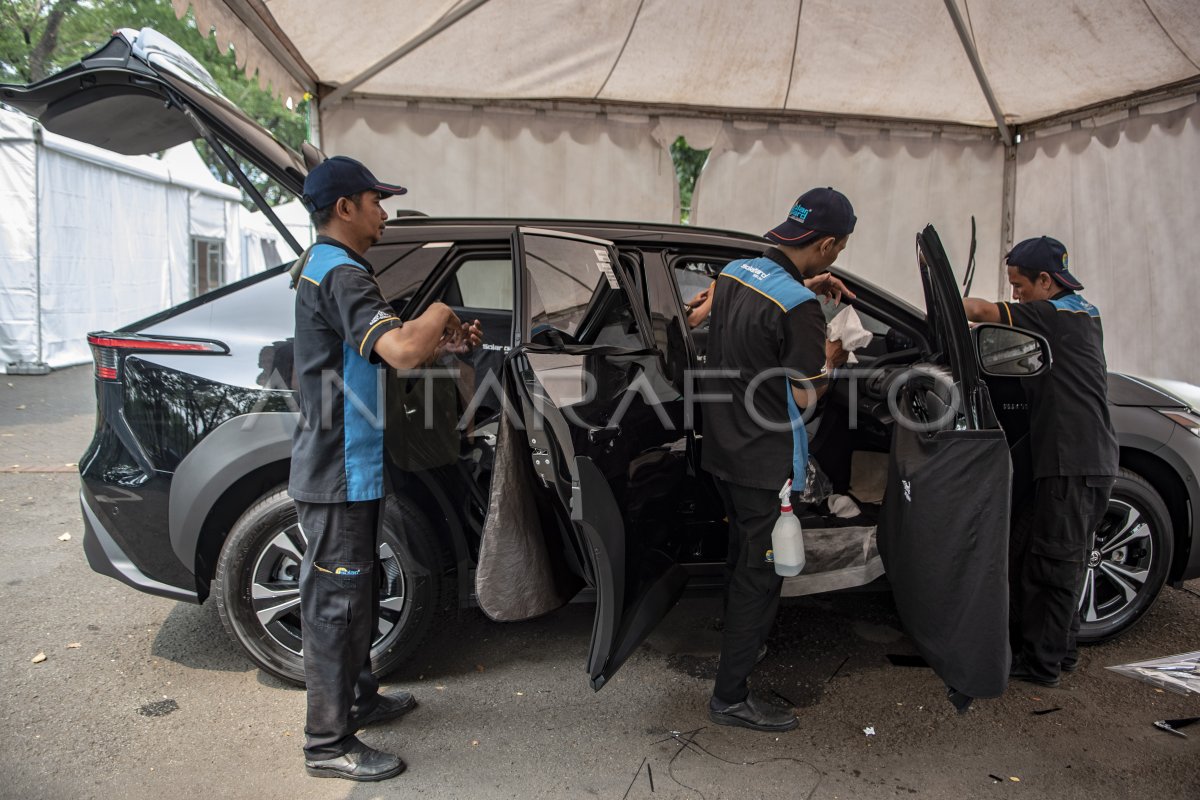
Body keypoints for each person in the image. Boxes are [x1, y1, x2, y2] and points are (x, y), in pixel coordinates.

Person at [290, 156, 481, 781]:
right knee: (337, 603)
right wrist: (437, 314)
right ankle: (328, 744)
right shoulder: (340, 273)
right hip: (338, 470)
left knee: (358, 589)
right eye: (377, 200)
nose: (385, 211)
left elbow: (380, 351)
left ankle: (361, 695)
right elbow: (399, 348)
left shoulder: (330, 269)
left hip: (354, 462)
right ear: (345, 207)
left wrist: (439, 341)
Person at [700, 187, 856, 731]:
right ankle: (731, 696)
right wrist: (831, 358)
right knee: (759, 576)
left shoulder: (736, 271)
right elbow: (804, 396)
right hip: (763, 459)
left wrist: (804, 286)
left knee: (741, 554)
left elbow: (756, 316)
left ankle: (739, 649)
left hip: (721, 447)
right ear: (829, 244)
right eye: (839, 249)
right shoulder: (802, 309)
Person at [963, 236, 1117, 688]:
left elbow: (981, 312)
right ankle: (1060, 653)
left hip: (1073, 461)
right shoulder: (1080, 313)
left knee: (1053, 563)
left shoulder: (1053, 314)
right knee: (1062, 559)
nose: (1015, 295)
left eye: (1019, 286)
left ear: (1046, 281)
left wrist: (944, 302)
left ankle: (1042, 664)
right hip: (1081, 458)